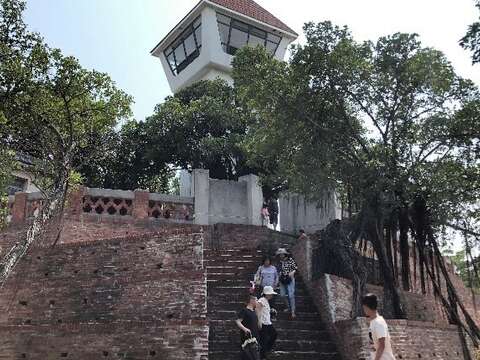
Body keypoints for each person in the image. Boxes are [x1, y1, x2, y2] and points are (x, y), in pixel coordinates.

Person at [362, 293, 396, 360]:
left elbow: (382, 345)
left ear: (366, 307)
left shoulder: (379, 322)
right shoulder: (373, 322)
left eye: (364, 307)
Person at [236, 295, 261, 359]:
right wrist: (245, 329)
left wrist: (258, 312)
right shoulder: (244, 310)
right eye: (256, 300)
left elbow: (259, 326)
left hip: (255, 338)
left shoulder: (254, 312)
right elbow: (238, 321)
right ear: (251, 301)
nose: (257, 302)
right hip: (247, 339)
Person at [256, 286, 278, 360]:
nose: (272, 295)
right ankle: (263, 356)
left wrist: (271, 310)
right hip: (263, 323)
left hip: (268, 323)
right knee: (263, 340)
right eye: (271, 294)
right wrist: (259, 321)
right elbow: (257, 309)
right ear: (267, 294)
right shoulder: (261, 300)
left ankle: (266, 350)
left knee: (274, 334)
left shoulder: (266, 301)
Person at [276, 248, 298, 319]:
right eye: (280, 254)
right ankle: (288, 307)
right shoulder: (279, 262)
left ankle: (293, 312)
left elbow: (295, 268)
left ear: (285, 254)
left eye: (282, 254)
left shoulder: (290, 260)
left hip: (290, 279)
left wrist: (292, 272)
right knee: (282, 295)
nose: (281, 255)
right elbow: (278, 270)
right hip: (282, 279)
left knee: (291, 295)